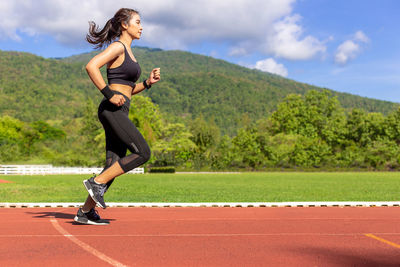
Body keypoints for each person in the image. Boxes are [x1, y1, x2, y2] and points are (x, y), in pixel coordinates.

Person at [74, 8, 161, 225]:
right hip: (111, 110)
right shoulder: (118, 47)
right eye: (138, 22)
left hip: (120, 109)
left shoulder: (129, 53)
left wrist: (147, 83)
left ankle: (85, 212)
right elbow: (91, 66)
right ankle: (96, 183)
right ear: (125, 24)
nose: (142, 27)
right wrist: (109, 94)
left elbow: (128, 90)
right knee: (142, 152)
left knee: (113, 163)